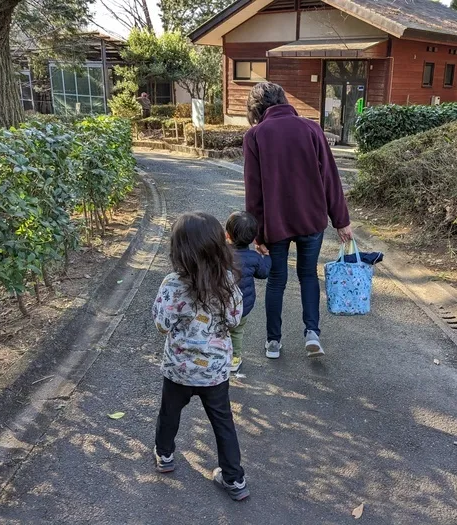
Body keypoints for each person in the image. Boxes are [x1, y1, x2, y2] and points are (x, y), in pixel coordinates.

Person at [243, 82, 352, 360]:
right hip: (312, 219)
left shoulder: (255, 135)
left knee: (277, 280)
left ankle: (273, 343)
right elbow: (330, 178)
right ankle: (312, 334)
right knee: (307, 275)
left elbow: (253, 191)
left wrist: (257, 235)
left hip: (277, 223)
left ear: (256, 108)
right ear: (283, 99)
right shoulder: (311, 128)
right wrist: (341, 220)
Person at [151, 211, 249, 501]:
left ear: (178, 250)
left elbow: (160, 324)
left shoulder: (172, 284)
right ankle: (234, 479)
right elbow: (234, 320)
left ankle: (165, 455)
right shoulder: (228, 281)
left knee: (169, 414)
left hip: (179, 370)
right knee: (223, 423)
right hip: (215, 371)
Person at [225, 211, 271, 372]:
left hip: (220, 304)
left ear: (227, 235)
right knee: (237, 332)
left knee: (219, 330)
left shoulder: (220, 254)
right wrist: (267, 257)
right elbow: (264, 273)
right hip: (242, 306)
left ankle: (217, 353)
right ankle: (234, 358)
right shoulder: (253, 257)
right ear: (252, 239)